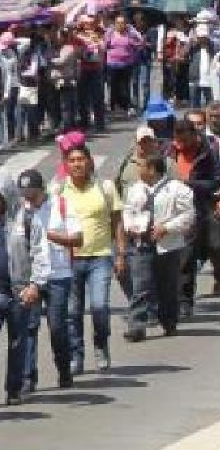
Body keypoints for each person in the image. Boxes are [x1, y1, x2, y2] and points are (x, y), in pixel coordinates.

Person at [0, 169, 49, 408]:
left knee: (17, 343)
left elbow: (40, 254)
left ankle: (13, 388)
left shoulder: (26, 219)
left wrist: (35, 285)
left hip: (18, 293)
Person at [56, 143, 122, 374]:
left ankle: (101, 344)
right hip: (70, 260)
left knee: (99, 306)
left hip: (100, 257)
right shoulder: (59, 191)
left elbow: (117, 221)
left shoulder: (105, 187)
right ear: (66, 165)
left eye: (81, 159)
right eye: (72, 160)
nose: (77, 164)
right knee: (73, 312)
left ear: (89, 162)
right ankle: (76, 354)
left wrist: (120, 253)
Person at [17, 169, 79, 392]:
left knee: (57, 327)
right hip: (31, 278)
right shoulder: (21, 212)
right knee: (29, 327)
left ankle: (64, 370)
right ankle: (27, 377)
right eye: (25, 194)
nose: (29, 199)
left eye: (33, 194)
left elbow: (78, 238)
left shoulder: (61, 206)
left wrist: (56, 237)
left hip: (57, 277)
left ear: (42, 190)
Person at [121, 154, 194, 342]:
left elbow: (188, 216)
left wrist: (166, 228)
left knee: (167, 287)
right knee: (140, 286)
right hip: (141, 245)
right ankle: (137, 326)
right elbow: (127, 211)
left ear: (152, 169)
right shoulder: (135, 189)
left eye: (141, 166)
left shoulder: (177, 189)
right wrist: (130, 227)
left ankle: (169, 321)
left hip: (167, 246)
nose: (138, 169)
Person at [170, 118, 220, 318]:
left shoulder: (209, 152)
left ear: (194, 135)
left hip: (204, 206)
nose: (181, 145)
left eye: (185, 140)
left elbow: (215, 182)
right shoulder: (170, 151)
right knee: (186, 256)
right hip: (178, 211)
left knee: (216, 246)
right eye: (178, 140)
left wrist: (189, 184)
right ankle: (184, 300)